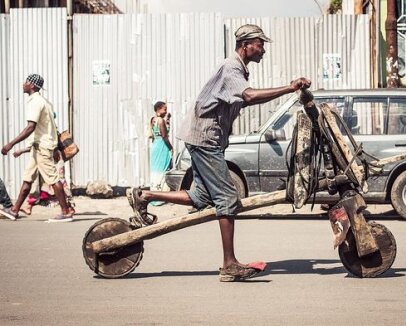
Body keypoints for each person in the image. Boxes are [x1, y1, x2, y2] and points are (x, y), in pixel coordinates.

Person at [127, 24, 311, 282]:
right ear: (246, 45)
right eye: (260, 44)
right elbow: (248, 96)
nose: (263, 50)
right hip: (205, 139)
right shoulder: (231, 68)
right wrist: (289, 88)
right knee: (227, 197)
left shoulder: (238, 69)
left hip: (205, 138)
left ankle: (144, 195)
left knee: (201, 196)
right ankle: (229, 264)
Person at [0, 74, 75, 222]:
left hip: (42, 147)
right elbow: (50, 127)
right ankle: (14, 210)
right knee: (28, 179)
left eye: (26, 81)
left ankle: (66, 211)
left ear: (32, 85)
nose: (23, 83)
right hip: (38, 147)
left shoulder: (36, 102)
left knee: (53, 180)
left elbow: (30, 127)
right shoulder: (43, 102)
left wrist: (11, 144)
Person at [148, 101, 173, 206]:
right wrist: (171, 147)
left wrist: (168, 119)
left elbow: (155, 134)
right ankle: (161, 197)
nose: (166, 111)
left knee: (156, 170)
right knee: (163, 169)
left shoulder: (153, 120)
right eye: (164, 109)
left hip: (156, 146)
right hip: (162, 146)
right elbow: (164, 136)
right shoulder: (161, 121)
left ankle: (154, 196)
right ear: (158, 109)